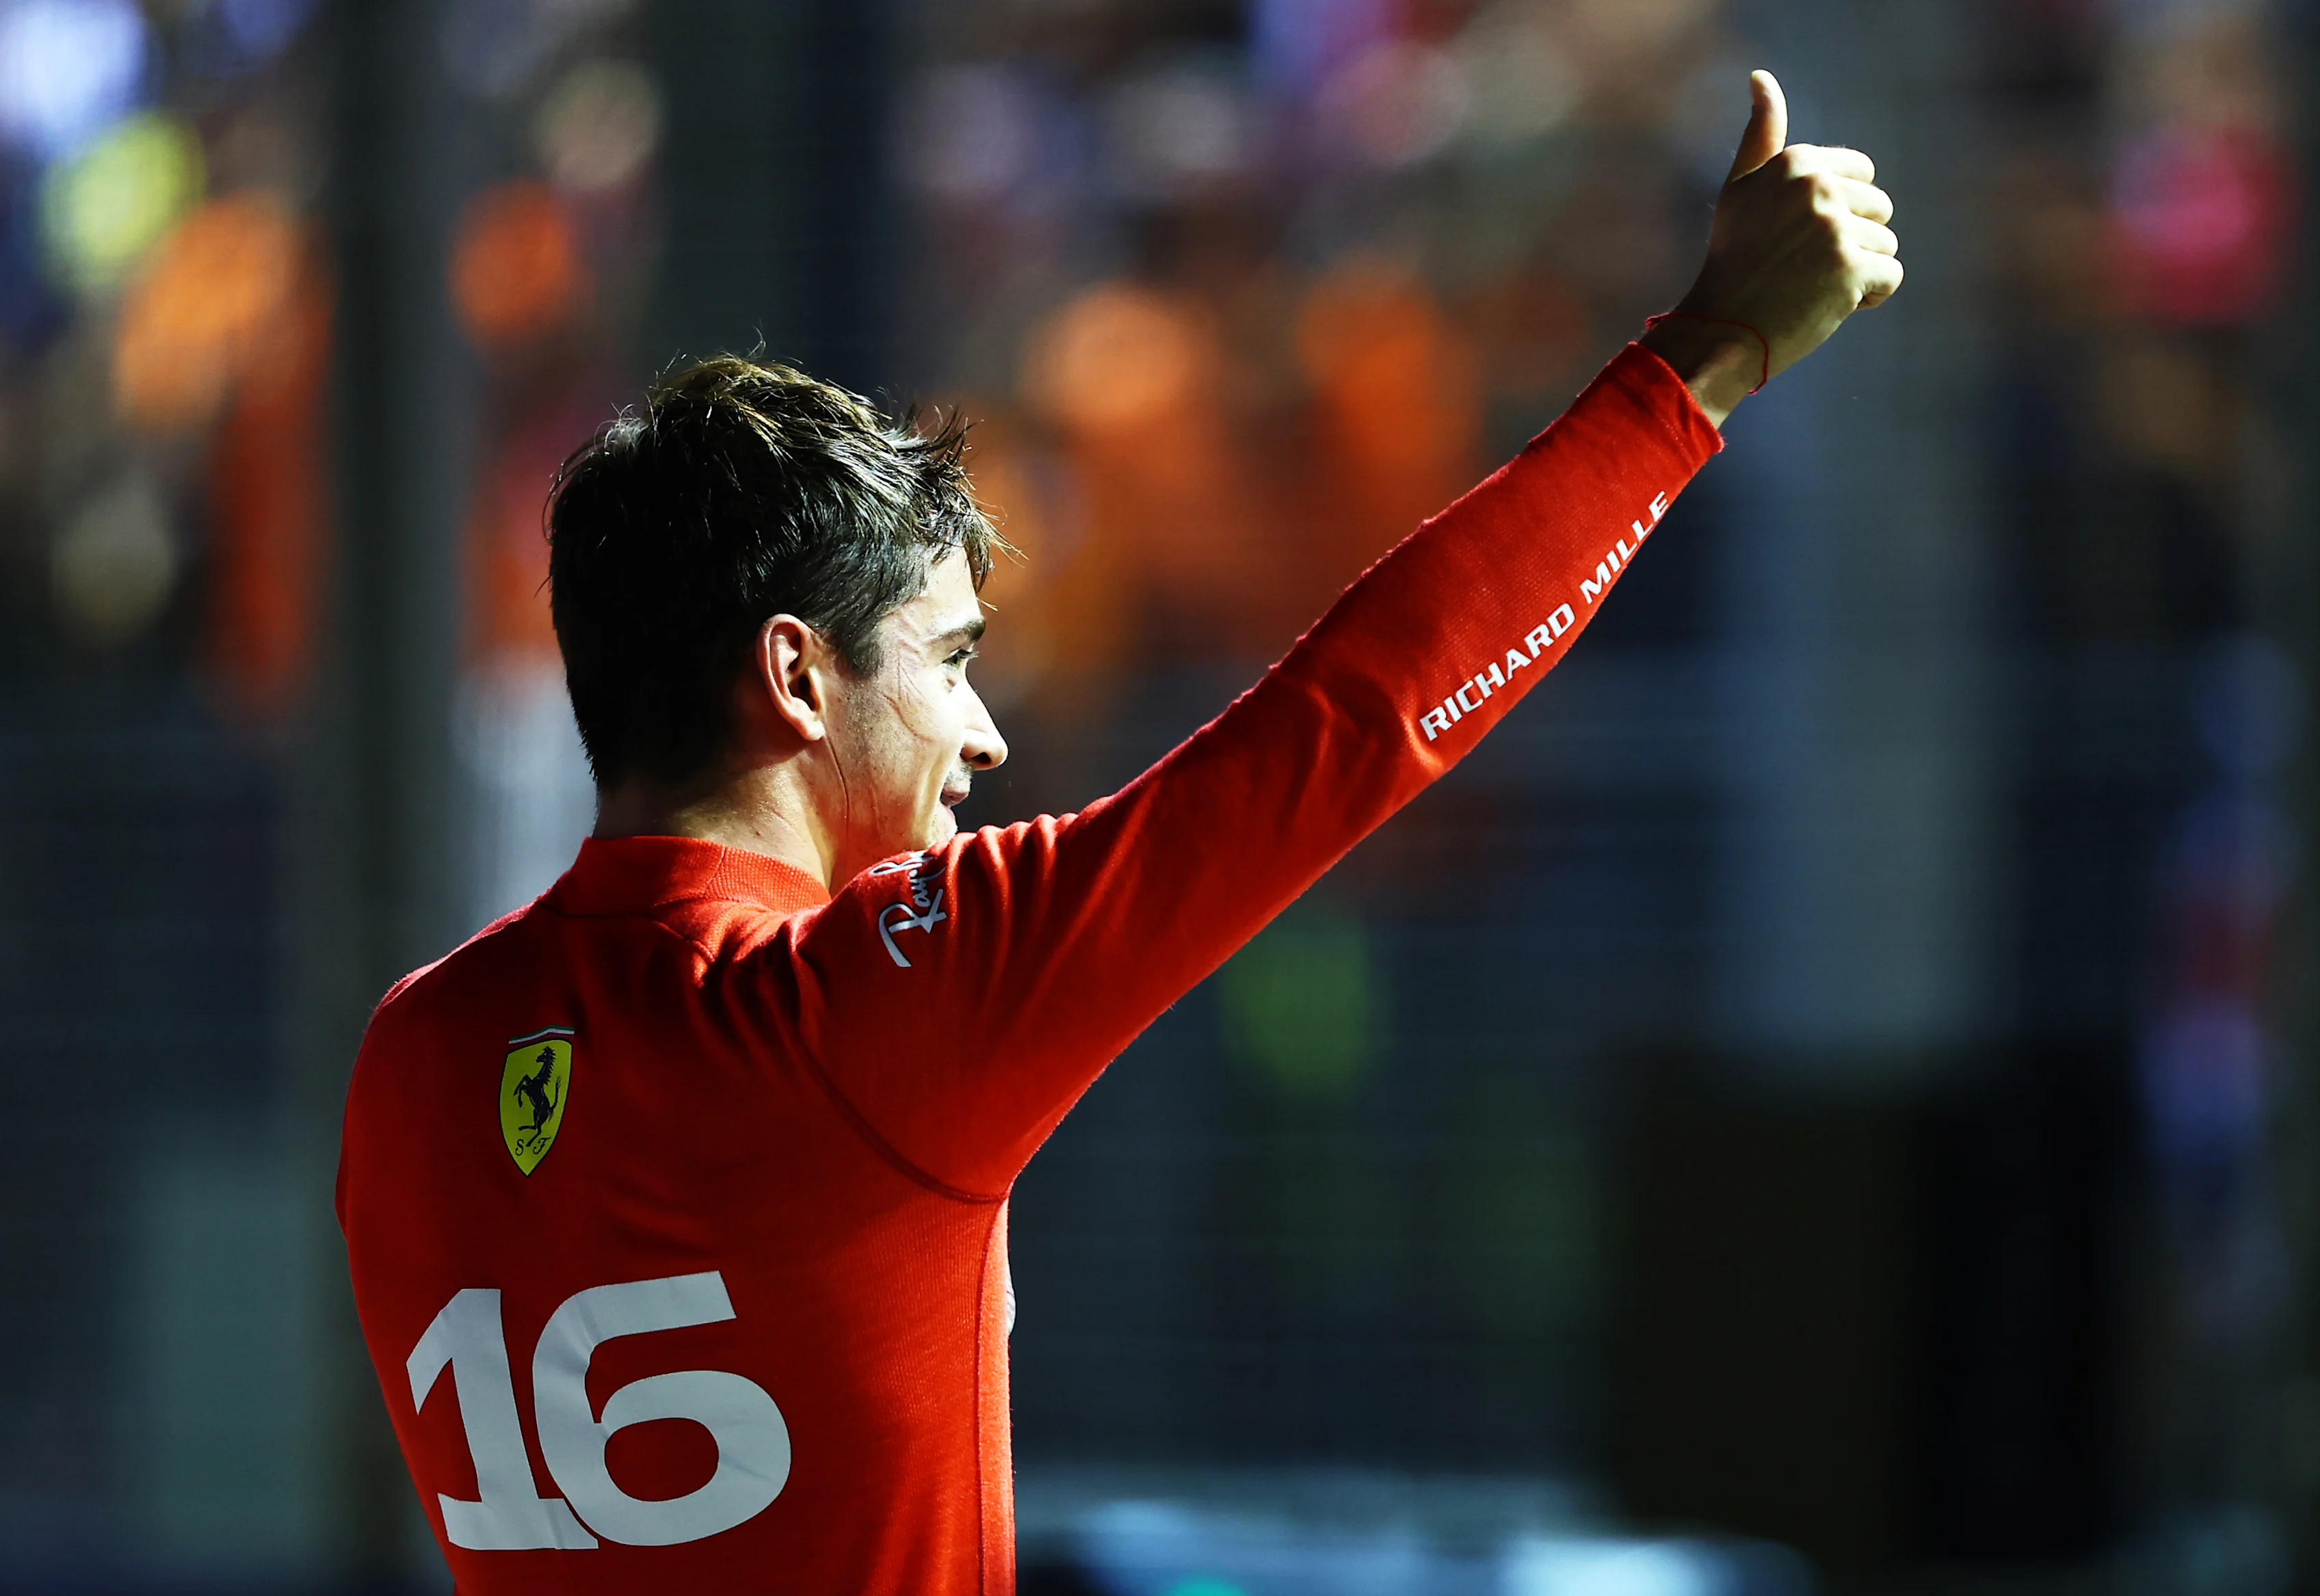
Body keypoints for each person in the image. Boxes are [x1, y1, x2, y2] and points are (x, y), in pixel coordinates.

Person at [338, 70, 1900, 1595]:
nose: (986, 733)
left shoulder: (409, 1060)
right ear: (799, 676)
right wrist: (1707, 356)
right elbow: (1349, 726)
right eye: (950, 663)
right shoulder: (868, 1013)